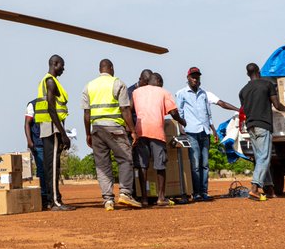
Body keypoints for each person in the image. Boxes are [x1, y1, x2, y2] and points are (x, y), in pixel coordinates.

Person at [82, 58, 142, 210]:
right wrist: (133, 131)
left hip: (96, 129)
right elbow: (125, 109)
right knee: (125, 159)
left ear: (100, 69)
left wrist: (88, 134)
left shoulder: (89, 86)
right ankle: (125, 193)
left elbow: (86, 113)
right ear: (112, 68)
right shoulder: (118, 83)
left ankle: (108, 200)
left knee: (102, 165)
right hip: (115, 128)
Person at [175, 67, 240, 202]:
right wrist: (181, 128)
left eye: (197, 77)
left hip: (205, 131)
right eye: (193, 76)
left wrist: (213, 129)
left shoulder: (204, 94)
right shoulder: (181, 93)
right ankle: (196, 193)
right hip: (191, 131)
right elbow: (179, 113)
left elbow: (208, 113)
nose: (195, 79)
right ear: (187, 78)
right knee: (195, 164)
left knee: (204, 164)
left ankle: (204, 192)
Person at [238, 62, 285, 201]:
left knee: (260, 159)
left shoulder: (243, 91)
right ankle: (254, 188)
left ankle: (269, 189)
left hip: (250, 126)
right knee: (264, 158)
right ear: (259, 71)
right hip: (263, 125)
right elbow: (277, 105)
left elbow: (244, 110)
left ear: (247, 74)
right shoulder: (267, 85)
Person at [131, 71, 185, 207]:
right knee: (160, 164)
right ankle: (161, 197)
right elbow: (173, 112)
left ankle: (144, 198)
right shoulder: (163, 92)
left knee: (143, 165)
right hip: (156, 131)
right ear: (159, 81)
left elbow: (129, 109)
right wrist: (182, 121)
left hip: (140, 130)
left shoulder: (136, 92)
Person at [35, 55, 75, 211]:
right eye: (62, 66)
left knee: (51, 165)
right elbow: (51, 108)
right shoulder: (50, 81)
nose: (63, 69)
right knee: (52, 166)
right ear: (55, 64)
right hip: (52, 128)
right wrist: (63, 133)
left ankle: (53, 200)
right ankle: (55, 202)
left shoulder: (47, 81)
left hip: (48, 127)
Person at [24, 97, 52, 209]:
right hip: (38, 143)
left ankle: (51, 197)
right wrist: (30, 141)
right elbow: (27, 123)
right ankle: (43, 197)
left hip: (50, 142)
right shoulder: (33, 105)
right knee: (42, 169)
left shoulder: (53, 102)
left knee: (51, 170)